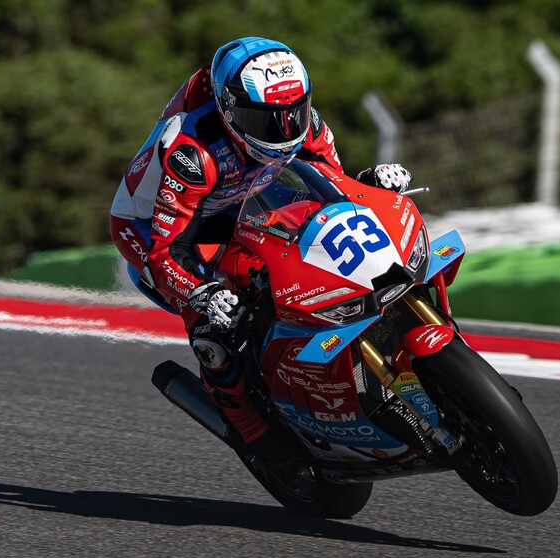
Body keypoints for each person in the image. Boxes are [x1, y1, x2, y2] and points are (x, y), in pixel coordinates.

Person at [110, 37, 413, 464]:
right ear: (229, 111)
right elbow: (165, 251)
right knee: (216, 324)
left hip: (239, 200)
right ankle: (249, 427)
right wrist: (203, 293)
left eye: (293, 114)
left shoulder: (305, 123)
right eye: (265, 120)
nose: (284, 131)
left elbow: (334, 187)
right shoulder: (192, 152)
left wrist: (371, 184)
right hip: (156, 227)